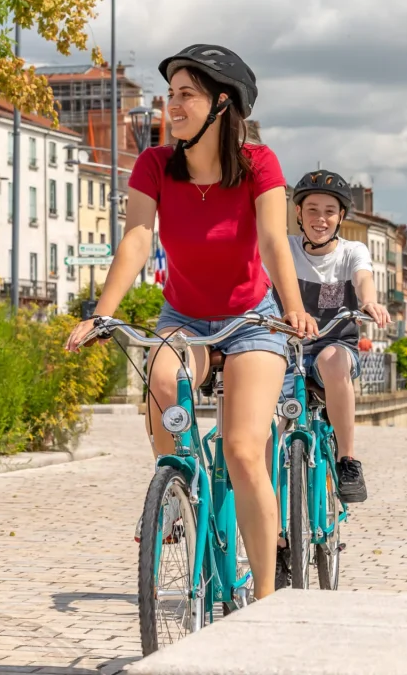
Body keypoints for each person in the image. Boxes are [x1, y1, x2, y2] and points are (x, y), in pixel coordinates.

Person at [64, 44, 317, 601]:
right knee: (159, 378)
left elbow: (275, 241)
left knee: (245, 450)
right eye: (169, 95)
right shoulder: (156, 165)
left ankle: (268, 603)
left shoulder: (259, 164)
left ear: (222, 105)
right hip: (184, 317)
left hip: (252, 321)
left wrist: (293, 306)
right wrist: (102, 313)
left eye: (186, 96)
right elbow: (136, 240)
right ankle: (179, 487)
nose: (171, 106)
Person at [278, 168, 389, 506]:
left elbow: (363, 278)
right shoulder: (285, 249)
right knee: (271, 435)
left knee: (333, 360)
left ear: (341, 216)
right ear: (298, 213)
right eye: (312, 209)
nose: (320, 219)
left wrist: (368, 299)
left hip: (334, 344)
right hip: (287, 349)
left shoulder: (351, 252)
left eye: (329, 211)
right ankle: (278, 531)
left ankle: (347, 461)